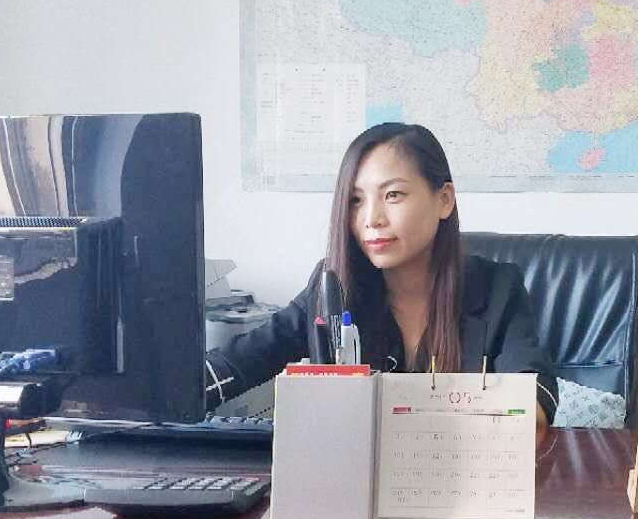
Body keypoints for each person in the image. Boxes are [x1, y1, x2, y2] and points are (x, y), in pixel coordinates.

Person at [203, 123, 557, 432]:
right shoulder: (333, 288)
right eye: (356, 201)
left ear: (444, 200)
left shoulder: (497, 288)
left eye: (393, 195)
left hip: (460, 475)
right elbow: (241, 361)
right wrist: (177, 388)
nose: (372, 218)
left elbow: (535, 398)